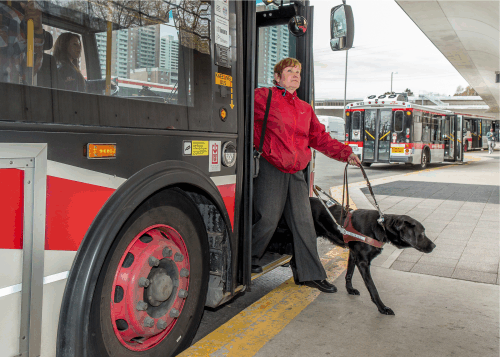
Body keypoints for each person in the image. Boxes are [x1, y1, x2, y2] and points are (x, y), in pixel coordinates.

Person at [252, 57, 361, 293]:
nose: (295, 75)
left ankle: (309, 274)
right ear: (278, 77)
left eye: (298, 72)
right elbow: (239, 118)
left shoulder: (305, 109)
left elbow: (320, 138)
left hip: (296, 173)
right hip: (272, 167)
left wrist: (346, 153)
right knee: (267, 218)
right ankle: (248, 257)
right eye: (289, 71)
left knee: (304, 223)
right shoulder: (263, 97)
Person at [0, 1, 44, 84]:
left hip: (18, 91)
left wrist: (38, 30)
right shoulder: (9, 15)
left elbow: (31, 70)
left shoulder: (24, 21)